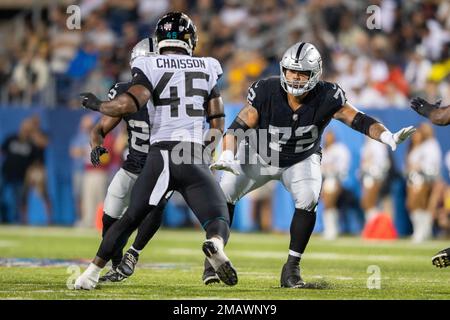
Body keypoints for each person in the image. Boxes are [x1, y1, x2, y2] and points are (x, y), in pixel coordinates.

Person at [210, 41, 415, 288]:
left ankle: (292, 269)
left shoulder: (328, 95)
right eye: (291, 71)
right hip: (259, 155)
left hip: (300, 159)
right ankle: (212, 260)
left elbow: (358, 119)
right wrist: (227, 155)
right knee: (225, 194)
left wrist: (386, 136)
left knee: (308, 197)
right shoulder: (266, 90)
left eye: (302, 73)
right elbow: (238, 127)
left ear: (315, 74)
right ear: (282, 70)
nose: (295, 78)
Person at [74, 12, 237, 290]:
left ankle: (90, 273)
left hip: (160, 154)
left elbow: (130, 102)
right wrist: (209, 150)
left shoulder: (150, 63)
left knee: (130, 218)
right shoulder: (208, 65)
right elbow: (217, 117)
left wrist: (98, 104)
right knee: (218, 217)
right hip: (192, 154)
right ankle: (215, 243)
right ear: (190, 39)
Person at [89, 38, 169, 283]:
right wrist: (97, 147)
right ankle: (115, 264)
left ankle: (133, 255)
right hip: (133, 164)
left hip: (161, 166)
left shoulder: (174, 94)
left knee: (155, 208)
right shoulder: (124, 93)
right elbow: (99, 130)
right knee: (109, 217)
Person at [410, 98, 450, 267]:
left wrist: (428, 110)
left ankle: (423, 232)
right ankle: (420, 231)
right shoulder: (417, 147)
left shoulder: (430, 145)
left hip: (430, 179)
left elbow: (442, 117)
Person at [320, 131, 350, 240]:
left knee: (329, 204)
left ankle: (332, 230)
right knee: (327, 205)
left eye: (330, 136)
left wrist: (339, 180)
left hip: (335, 179)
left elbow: (343, 166)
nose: (328, 138)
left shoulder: (339, 149)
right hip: (325, 179)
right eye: (327, 136)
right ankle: (331, 229)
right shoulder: (324, 150)